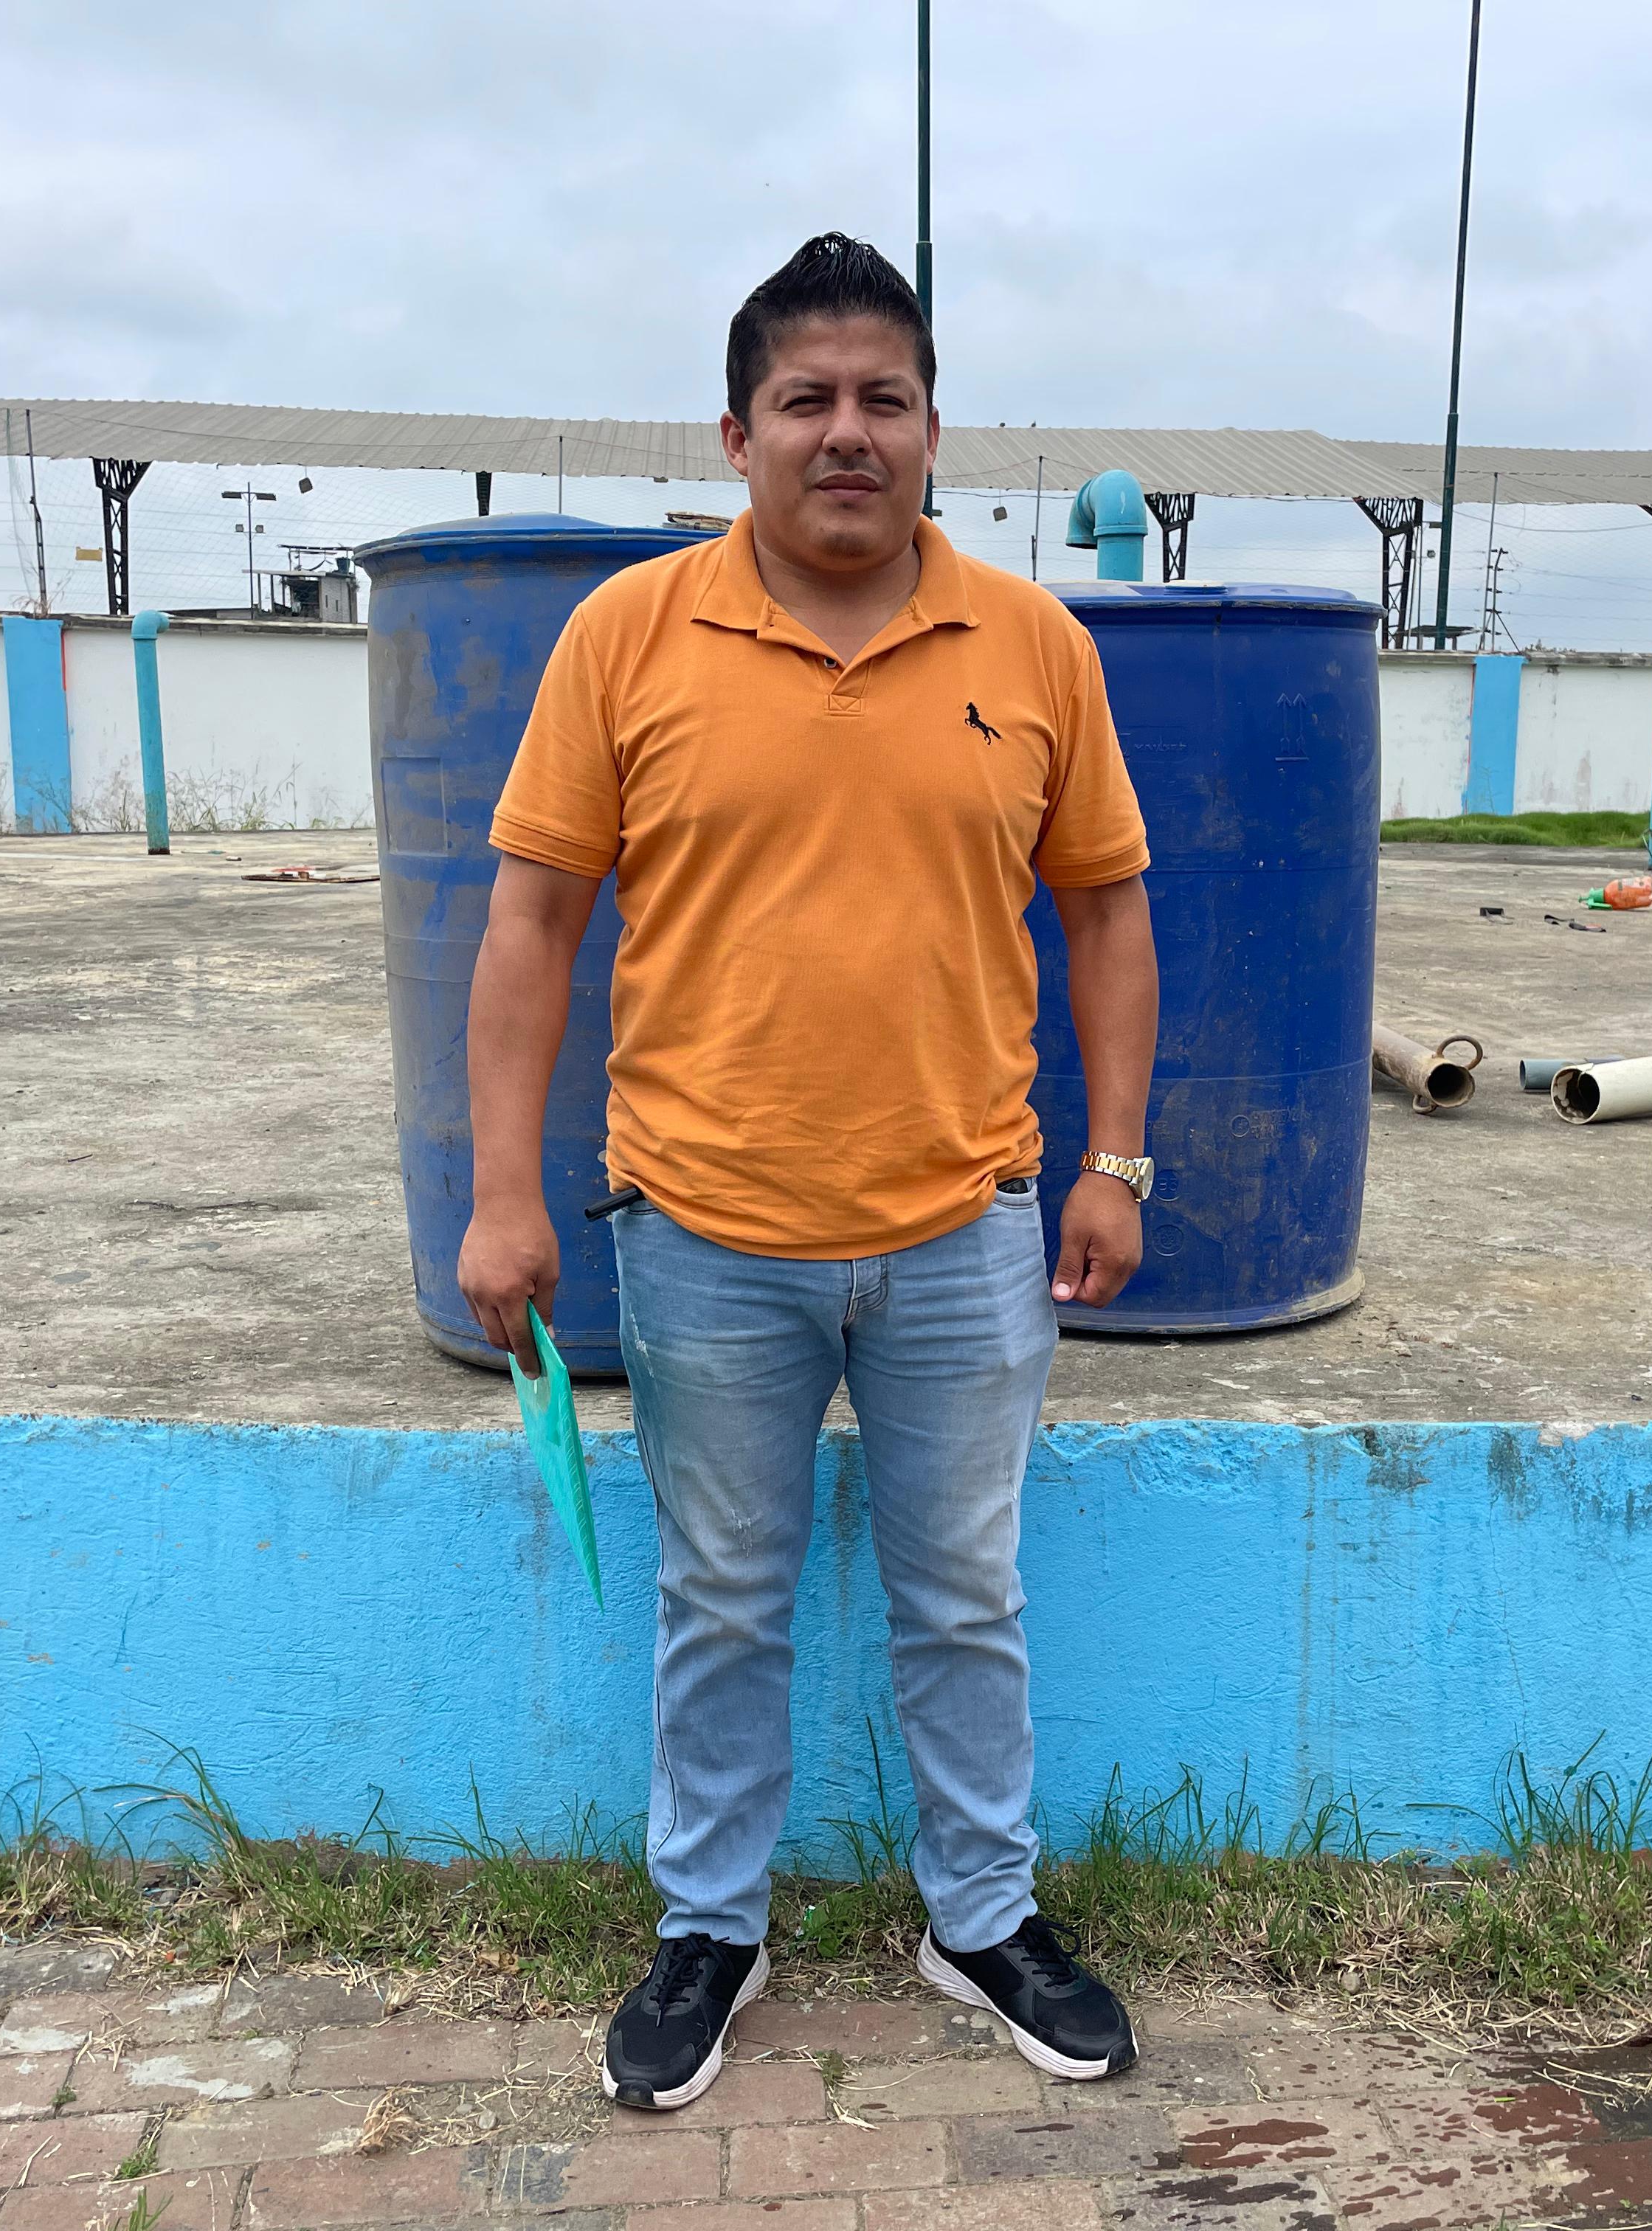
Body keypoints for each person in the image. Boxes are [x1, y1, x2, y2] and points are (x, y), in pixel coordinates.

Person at [457, 232, 1161, 2109]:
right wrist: (504, 1195)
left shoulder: (1036, 647)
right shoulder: (629, 637)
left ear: (934, 429)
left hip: (967, 1228)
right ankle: (712, 1925)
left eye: (885, 399)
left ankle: (983, 1917)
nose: (848, 432)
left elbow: (1108, 912)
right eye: (807, 401)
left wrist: (1118, 1161)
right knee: (723, 1599)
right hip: (703, 1232)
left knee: (966, 1597)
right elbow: (529, 924)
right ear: (738, 433)